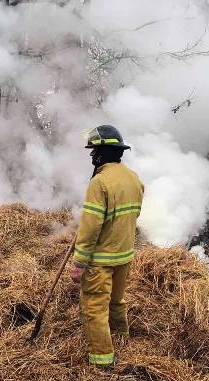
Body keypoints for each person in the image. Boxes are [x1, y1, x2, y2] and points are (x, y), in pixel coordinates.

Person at [69, 125, 144, 368]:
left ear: (103, 153)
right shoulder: (133, 178)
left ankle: (101, 362)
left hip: (100, 261)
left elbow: (90, 228)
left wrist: (80, 262)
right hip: (124, 256)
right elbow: (134, 215)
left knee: (95, 309)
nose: (92, 156)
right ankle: (123, 341)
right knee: (117, 302)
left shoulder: (99, 183)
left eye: (94, 151)